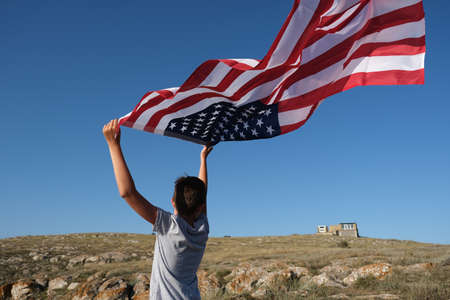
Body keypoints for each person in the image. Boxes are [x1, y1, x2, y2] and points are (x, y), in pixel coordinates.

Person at [102, 119, 213, 300]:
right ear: (200, 207)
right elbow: (203, 194)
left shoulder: (168, 226)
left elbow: (127, 193)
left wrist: (113, 145)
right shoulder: (202, 229)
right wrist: (203, 160)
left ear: (172, 201)